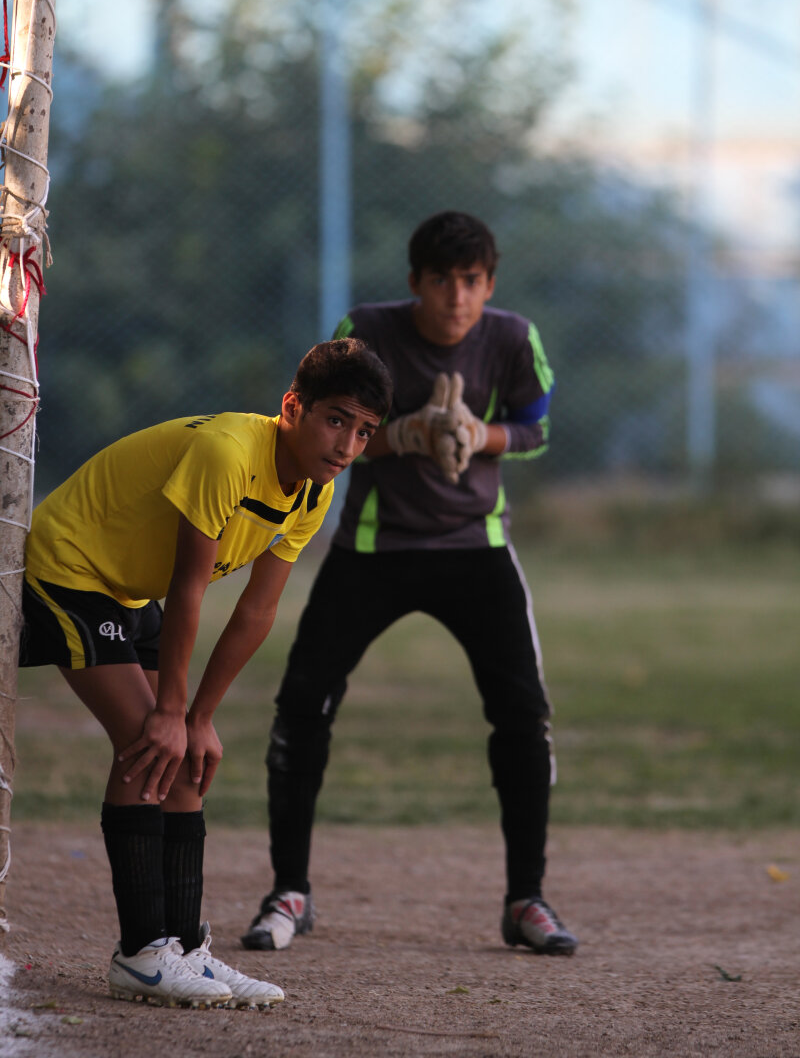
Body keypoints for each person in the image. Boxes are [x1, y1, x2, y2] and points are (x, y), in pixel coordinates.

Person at [241, 210, 578, 958]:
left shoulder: (513, 338)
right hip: (374, 544)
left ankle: (527, 898)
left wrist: (478, 435)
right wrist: (405, 434)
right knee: (301, 705)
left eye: (472, 281)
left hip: (476, 546)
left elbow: (538, 428)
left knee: (523, 715)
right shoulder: (365, 332)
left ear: (490, 284)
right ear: (414, 282)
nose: (457, 297)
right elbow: (317, 430)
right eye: (441, 280)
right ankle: (289, 890)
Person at [19, 338, 392, 1008]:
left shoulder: (314, 492)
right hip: (69, 565)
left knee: (188, 760)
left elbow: (256, 609)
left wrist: (200, 718)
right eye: (336, 419)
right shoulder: (228, 454)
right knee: (147, 742)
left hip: (128, 590)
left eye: (364, 431)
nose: (346, 444)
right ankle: (142, 956)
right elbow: (189, 587)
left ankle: (186, 948)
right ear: (293, 408)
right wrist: (169, 712)